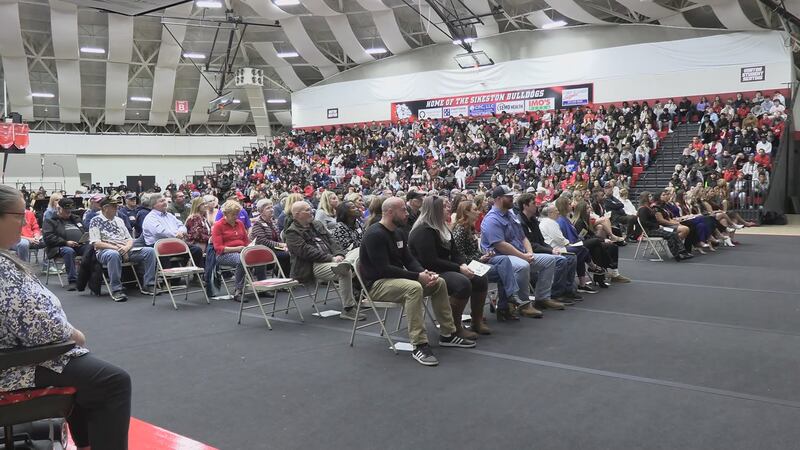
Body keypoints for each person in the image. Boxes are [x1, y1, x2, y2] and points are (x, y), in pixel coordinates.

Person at [0, 184, 132, 450]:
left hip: (18, 351)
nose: (26, 222)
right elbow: (38, 329)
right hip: (14, 365)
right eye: (20, 215)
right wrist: (73, 335)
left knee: (84, 367)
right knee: (113, 381)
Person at [359, 197, 475, 366]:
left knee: (439, 282)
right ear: (390, 212)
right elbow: (384, 269)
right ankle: (419, 344)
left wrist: (423, 272)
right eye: (403, 210)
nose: (407, 213)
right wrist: (417, 277)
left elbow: (409, 259)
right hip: (377, 284)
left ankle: (448, 334)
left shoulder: (398, 232)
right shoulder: (374, 234)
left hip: (396, 280)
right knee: (413, 288)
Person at [409, 196, 488, 339]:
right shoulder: (423, 231)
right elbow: (431, 261)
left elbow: (455, 252)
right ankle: (454, 327)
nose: (449, 208)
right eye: (444, 207)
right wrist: (459, 268)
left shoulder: (442, 227)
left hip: (446, 267)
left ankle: (477, 321)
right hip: (429, 272)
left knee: (480, 278)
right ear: (435, 211)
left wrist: (463, 264)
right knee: (462, 283)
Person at [479, 185, 566, 316]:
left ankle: (542, 298)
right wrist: (523, 256)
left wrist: (529, 253)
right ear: (498, 199)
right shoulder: (491, 219)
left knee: (549, 260)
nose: (511, 198)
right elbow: (501, 245)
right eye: (508, 197)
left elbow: (523, 237)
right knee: (523, 265)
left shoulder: (510, 214)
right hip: (500, 257)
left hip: (519, 253)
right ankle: (524, 304)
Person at [284, 201, 365, 321]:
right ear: (297, 214)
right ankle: (348, 309)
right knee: (344, 271)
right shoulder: (292, 232)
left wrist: (339, 254)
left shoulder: (317, 224)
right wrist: (331, 258)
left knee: (360, 250)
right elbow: (307, 252)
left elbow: (333, 241)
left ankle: (347, 263)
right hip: (312, 266)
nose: (312, 211)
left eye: (311, 208)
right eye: (307, 210)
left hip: (334, 260)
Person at [452, 200, 525, 323]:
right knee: (504, 272)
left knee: (504, 260)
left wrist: (484, 255)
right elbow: (458, 256)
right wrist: (479, 258)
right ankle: (505, 305)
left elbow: (473, 252)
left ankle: (510, 297)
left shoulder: (470, 228)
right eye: (475, 210)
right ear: (466, 213)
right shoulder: (460, 230)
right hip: (468, 267)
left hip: (477, 261)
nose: (478, 212)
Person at [514, 193, 582, 304]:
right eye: (533, 203)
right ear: (525, 206)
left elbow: (541, 241)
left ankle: (567, 290)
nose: (536, 205)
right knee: (561, 260)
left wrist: (552, 250)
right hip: (529, 253)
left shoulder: (534, 221)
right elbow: (530, 245)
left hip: (540, 250)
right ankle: (555, 294)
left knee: (571, 257)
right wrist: (551, 250)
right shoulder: (520, 222)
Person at [89, 197, 157, 301]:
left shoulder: (119, 220)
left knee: (150, 251)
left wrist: (126, 247)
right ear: (105, 208)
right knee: (113, 254)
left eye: (117, 206)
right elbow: (96, 243)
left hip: (125, 249)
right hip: (106, 251)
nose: (117, 208)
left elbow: (130, 239)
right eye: (114, 206)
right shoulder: (95, 221)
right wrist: (117, 248)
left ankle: (148, 284)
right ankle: (116, 290)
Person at [142, 193, 204, 275]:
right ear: (154, 205)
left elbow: (181, 225)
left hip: (174, 243)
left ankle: (197, 276)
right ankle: (168, 279)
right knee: (171, 274)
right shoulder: (150, 218)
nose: (165, 203)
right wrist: (176, 234)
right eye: (161, 201)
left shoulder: (169, 215)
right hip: (159, 245)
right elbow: (160, 232)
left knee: (196, 250)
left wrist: (181, 232)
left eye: (164, 200)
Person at [42, 198, 90, 291]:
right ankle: (72, 280)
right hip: (59, 247)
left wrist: (85, 238)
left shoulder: (76, 218)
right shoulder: (50, 221)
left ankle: (88, 276)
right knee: (69, 251)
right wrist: (65, 242)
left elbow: (85, 230)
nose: (68, 212)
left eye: (70, 211)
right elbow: (48, 237)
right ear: (59, 208)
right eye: (66, 210)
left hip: (79, 245)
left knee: (91, 248)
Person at [211, 201, 250, 302]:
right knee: (241, 260)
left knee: (259, 257)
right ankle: (238, 290)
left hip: (241, 251)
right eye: (233, 214)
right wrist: (237, 249)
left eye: (237, 214)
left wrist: (248, 248)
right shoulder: (218, 226)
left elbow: (246, 241)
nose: (236, 216)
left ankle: (261, 285)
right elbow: (219, 248)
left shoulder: (240, 223)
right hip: (224, 255)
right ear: (225, 214)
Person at [637, 191, 692, 261]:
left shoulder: (648, 208)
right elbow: (644, 223)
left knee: (673, 232)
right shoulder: (643, 209)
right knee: (671, 234)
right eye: (649, 196)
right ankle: (677, 254)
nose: (651, 198)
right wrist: (657, 225)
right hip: (650, 231)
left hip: (656, 228)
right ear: (645, 198)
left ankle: (682, 252)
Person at [249, 198, 291, 278]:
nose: (271, 210)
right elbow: (263, 241)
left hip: (275, 249)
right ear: (261, 211)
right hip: (263, 250)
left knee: (292, 251)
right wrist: (280, 245)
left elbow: (278, 238)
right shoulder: (258, 224)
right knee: (286, 255)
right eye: (268, 208)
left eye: (272, 207)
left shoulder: (272, 222)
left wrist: (284, 246)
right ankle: (283, 278)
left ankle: (286, 277)